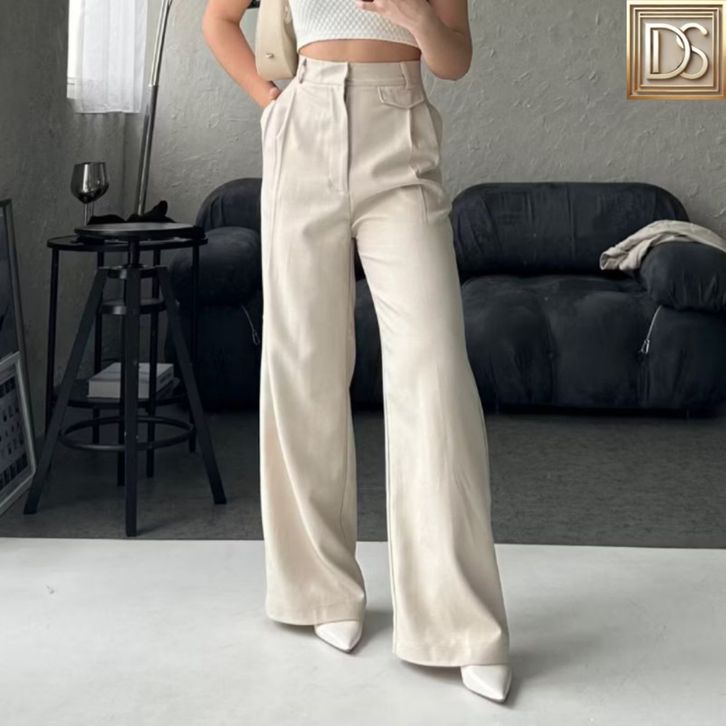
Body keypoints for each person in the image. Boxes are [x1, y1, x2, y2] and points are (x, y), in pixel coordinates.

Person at [202, 0, 513, 703]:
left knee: (435, 374)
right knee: (302, 363)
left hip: (399, 131)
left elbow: (455, 59)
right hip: (303, 125)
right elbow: (218, 20)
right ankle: (319, 589)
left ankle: (460, 624)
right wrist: (272, 103)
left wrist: (418, 18)